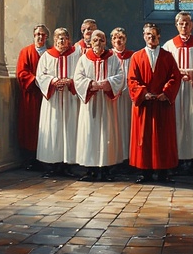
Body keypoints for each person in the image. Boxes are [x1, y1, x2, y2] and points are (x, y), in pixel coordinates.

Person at [127, 23, 182, 183]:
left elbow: (175, 77)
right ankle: (146, 173)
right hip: (145, 105)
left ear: (159, 36)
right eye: (148, 35)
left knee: (163, 138)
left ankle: (163, 173)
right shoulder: (137, 57)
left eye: (154, 35)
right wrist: (144, 93)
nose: (151, 37)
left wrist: (166, 93)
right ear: (144, 36)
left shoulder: (167, 56)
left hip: (162, 103)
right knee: (143, 138)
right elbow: (132, 79)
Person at [74, 30, 125, 181]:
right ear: (90, 42)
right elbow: (78, 78)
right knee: (89, 134)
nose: (98, 42)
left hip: (107, 103)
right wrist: (91, 84)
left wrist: (107, 83)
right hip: (91, 102)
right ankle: (90, 170)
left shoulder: (113, 58)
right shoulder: (84, 59)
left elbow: (120, 76)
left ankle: (106, 169)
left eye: (101, 39)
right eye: (95, 39)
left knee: (106, 133)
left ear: (105, 42)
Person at [162, 11, 193, 174]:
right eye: (181, 23)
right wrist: (176, 75)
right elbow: (163, 69)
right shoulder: (168, 46)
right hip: (176, 91)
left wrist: (192, 74)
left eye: (187, 23)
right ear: (176, 25)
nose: (184, 26)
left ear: (192, 25)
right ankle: (177, 159)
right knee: (177, 121)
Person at [36, 27, 82, 178]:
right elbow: (40, 76)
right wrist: (54, 81)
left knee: (69, 130)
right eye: (59, 38)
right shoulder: (47, 56)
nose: (62, 41)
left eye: (64, 38)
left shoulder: (76, 54)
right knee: (53, 130)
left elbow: (82, 74)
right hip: (53, 100)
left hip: (70, 98)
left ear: (69, 40)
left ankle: (67, 165)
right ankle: (52, 166)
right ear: (54, 40)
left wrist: (71, 82)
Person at [16, 24, 49, 171]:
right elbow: (22, 73)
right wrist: (36, 80)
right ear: (34, 36)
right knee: (30, 126)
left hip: (47, 95)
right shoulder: (26, 52)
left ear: (47, 37)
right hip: (31, 95)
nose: (40, 37)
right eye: (37, 34)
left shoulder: (50, 54)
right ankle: (30, 158)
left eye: (43, 34)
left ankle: (44, 158)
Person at [110, 27, 134, 168]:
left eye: (121, 38)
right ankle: (115, 159)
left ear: (125, 40)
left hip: (128, 98)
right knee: (115, 127)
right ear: (112, 40)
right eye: (115, 38)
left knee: (128, 127)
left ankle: (128, 159)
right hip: (113, 98)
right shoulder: (108, 57)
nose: (118, 41)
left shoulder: (133, 56)